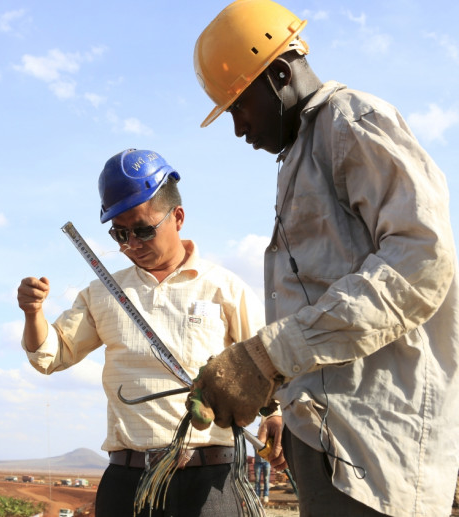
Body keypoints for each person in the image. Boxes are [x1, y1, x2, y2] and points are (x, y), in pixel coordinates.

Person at [185, 1, 459, 516]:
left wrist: (269, 356)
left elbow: (421, 262)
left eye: (240, 105)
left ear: (281, 74)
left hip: (375, 454)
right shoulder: (302, 153)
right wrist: (273, 378)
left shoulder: (352, 122)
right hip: (332, 445)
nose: (239, 129)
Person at [17, 148, 265, 517]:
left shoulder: (225, 288)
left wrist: (276, 417)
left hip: (210, 483)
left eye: (143, 230)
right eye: (120, 234)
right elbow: (51, 355)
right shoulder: (101, 292)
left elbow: (270, 364)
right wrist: (33, 312)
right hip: (128, 482)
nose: (132, 244)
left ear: (177, 217)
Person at [252, 419, 271, 504]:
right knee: (257, 480)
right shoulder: (255, 439)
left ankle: (266, 495)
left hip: (266, 462)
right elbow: (256, 448)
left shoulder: (269, 438)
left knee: (266, 479)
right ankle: (257, 496)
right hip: (258, 462)